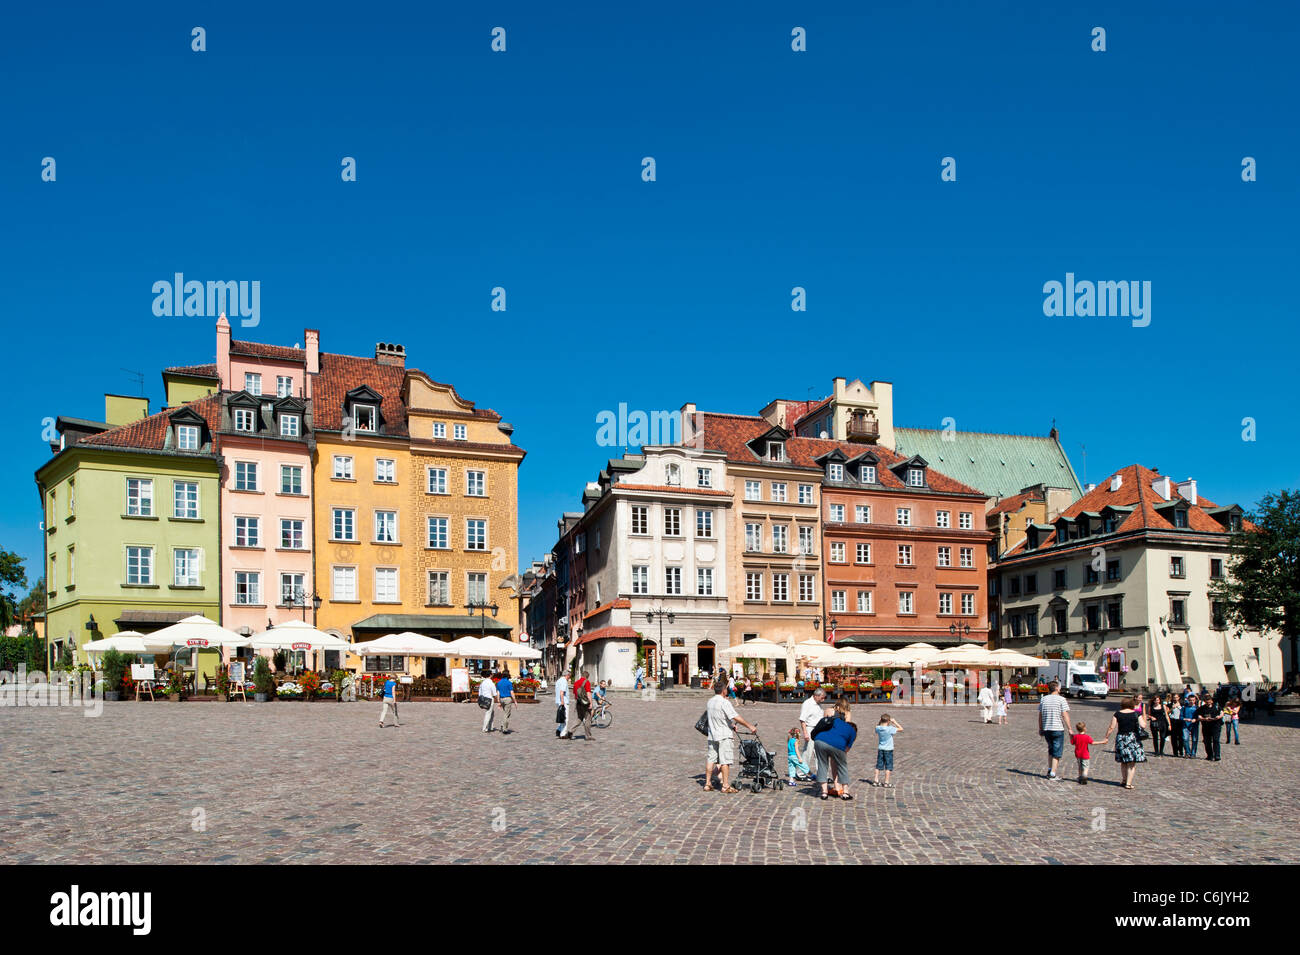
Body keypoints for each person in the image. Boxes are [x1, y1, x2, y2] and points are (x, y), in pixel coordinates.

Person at [704, 679, 756, 793]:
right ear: (723, 691)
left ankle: (707, 783)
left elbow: (719, 717)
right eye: (726, 689)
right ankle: (725, 785)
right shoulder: (724, 702)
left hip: (712, 735)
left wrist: (731, 725)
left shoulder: (710, 701)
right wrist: (749, 726)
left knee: (710, 759)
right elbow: (735, 716)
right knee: (725, 761)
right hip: (723, 735)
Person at [1098, 696, 1148, 789]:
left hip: (1121, 738)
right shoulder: (1136, 714)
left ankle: (1124, 780)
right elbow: (1143, 725)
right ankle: (1128, 783)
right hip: (1133, 738)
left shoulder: (1117, 714)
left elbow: (1111, 727)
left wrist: (1106, 737)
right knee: (1132, 762)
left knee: (1123, 761)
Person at [813, 702, 857, 801]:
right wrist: (839, 758)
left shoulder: (834, 721)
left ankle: (824, 793)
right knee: (842, 766)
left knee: (822, 765)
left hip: (819, 741)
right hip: (837, 744)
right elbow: (846, 750)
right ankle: (845, 792)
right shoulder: (852, 731)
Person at [1038, 681, 1071, 780]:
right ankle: (1053, 773)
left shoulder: (1043, 699)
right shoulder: (1061, 699)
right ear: (1057, 688)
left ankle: (1049, 768)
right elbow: (1065, 715)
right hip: (1057, 728)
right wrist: (1069, 728)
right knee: (1057, 751)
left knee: (1051, 749)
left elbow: (1040, 715)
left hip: (1047, 728)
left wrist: (1040, 728)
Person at [799, 687, 828, 779]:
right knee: (808, 752)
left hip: (819, 730)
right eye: (822, 698)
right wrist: (805, 733)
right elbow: (802, 719)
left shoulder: (818, 704)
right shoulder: (808, 703)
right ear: (816, 696)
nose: (823, 700)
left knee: (819, 752)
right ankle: (800, 773)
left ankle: (821, 774)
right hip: (810, 729)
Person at [871, 713, 902, 788]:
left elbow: (877, 726)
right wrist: (894, 722)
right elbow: (901, 728)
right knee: (888, 766)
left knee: (878, 765)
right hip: (888, 749)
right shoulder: (890, 728)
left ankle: (876, 780)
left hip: (881, 748)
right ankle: (886, 782)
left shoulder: (878, 728)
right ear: (888, 721)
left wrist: (881, 721)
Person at [569, 669, 597, 741]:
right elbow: (588, 693)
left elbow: (575, 694)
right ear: (587, 677)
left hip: (578, 703)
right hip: (585, 704)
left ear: (581, 675)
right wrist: (590, 703)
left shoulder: (576, 683)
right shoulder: (587, 682)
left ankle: (570, 732)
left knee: (579, 718)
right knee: (588, 719)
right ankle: (588, 736)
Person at [1197, 693, 1222, 761]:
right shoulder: (1202, 708)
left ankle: (1217, 755)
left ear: (1211, 701)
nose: (1208, 703)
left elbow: (1222, 713)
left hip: (1216, 726)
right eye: (1206, 701)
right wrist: (1204, 719)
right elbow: (1199, 717)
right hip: (1206, 726)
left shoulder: (1216, 706)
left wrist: (1218, 717)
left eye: (1209, 701)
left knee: (1216, 740)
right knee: (1207, 741)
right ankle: (1210, 755)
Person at [496, 670, 515, 735]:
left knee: (506, 713)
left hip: (501, 699)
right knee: (506, 714)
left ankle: (502, 724)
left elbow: (498, 692)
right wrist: (515, 701)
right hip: (507, 699)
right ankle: (504, 728)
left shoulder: (499, 683)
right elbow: (511, 692)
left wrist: (498, 701)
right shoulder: (509, 683)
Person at [553, 669, 569, 738]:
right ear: (567, 675)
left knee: (561, 717)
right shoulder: (564, 681)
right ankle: (563, 733)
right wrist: (562, 701)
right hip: (563, 702)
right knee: (565, 718)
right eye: (569, 676)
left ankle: (559, 730)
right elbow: (562, 692)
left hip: (558, 701)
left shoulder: (558, 680)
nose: (569, 678)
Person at [1168, 693, 1185, 757]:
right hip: (1173, 721)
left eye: (1176, 697)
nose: (1175, 699)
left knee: (1181, 737)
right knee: (1174, 737)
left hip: (1180, 721)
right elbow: (1167, 712)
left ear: (1179, 698)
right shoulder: (1169, 704)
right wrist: (1172, 708)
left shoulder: (1182, 704)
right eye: (1174, 697)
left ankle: (1181, 751)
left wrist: (1179, 706)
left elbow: (1183, 711)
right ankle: (1175, 752)